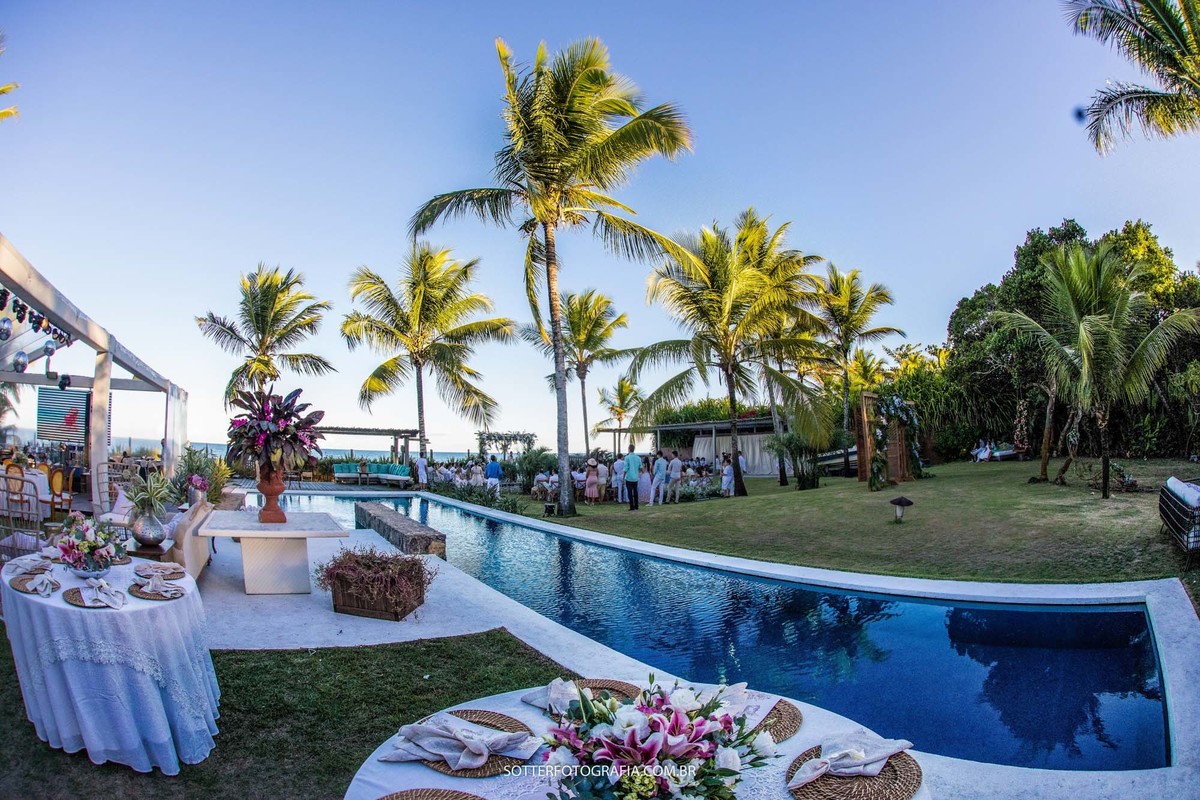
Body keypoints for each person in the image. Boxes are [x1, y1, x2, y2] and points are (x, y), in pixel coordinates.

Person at [624, 444, 641, 511]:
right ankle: (636, 505)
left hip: (629, 477)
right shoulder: (638, 458)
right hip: (635, 477)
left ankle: (632, 506)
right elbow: (640, 467)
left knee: (630, 492)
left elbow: (625, 468)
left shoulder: (627, 458)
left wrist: (623, 477)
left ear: (628, 449)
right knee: (635, 492)